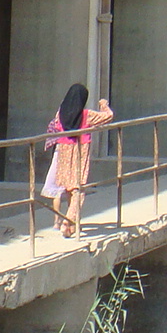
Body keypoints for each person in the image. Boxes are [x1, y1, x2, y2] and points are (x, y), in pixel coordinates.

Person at [41, 82, 112, 239]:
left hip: (63, 151)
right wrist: (103, 105)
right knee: (78, 188)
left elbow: (56, 128)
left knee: (68, 187)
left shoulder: (61, 113)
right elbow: (108, 117)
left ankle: (69, 223)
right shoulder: (87, 115)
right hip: (80, 151)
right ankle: (68, 223)